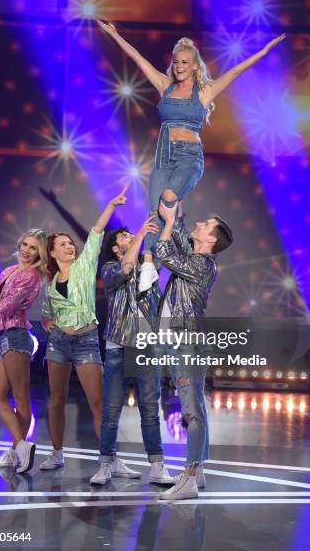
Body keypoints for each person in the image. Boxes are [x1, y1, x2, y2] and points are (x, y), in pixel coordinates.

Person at [97, 20, 283, 291]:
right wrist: (114, 34)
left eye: (185, 62)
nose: (179, 66)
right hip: (163, 154)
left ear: (195, 65)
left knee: (169, 197)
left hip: (189, 157)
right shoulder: (165, 86)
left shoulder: (205, 92)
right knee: (152, 212)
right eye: (176, 62)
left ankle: (166, 239)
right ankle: (149, 264)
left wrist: (264, 51)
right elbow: (137, 58)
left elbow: (235, 73)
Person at [39, 188, 127, 470]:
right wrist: (46, 322)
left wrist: (111, 204)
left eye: (70, 243)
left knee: (98, 402)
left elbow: (96, 232)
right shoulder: (51, 285)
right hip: (58, 344)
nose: (69, 247)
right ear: (52, 253)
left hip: (86, 340)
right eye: (62, 245)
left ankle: (110, 459)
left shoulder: (85, 265)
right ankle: (56, 453)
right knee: (56, 400)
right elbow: (47, 313)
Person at [154, 202, 233, 501]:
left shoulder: (202, 264)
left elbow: (163, 252)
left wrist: (172, 219)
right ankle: (197, 469)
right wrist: (175, 210)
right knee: (194, 406)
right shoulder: (194, 258)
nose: (198, 224)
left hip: (188, 344)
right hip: (182, 342)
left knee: (191, 411)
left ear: (212, 239)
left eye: (205, 224)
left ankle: (188, 479)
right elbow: (176, 236)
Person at [90, 218, 174, 486]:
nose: (130, 237)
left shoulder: (148, 266)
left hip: (146, 347)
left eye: (131, 234)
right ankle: (106, 464)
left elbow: (160, 248)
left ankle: (158, 465)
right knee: (111, 410)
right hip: (118, 346)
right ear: (115, 248)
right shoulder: (111, 267)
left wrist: (169, 220)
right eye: (124, 236)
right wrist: (139, 232)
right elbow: (127, 267)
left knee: (150, 409)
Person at [0, 229, 48, 473]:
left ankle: (19, 447)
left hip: (16, 337)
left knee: (20, 398)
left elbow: (7, 307)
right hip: (3, 338)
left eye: (33, 248)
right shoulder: (9, 271)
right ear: (19, 244)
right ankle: (18, 448)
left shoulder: (30, 275)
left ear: (40, 253)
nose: (27, 251)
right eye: (25, 245)